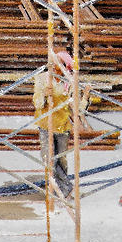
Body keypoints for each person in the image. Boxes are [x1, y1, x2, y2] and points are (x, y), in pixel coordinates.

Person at [32, 50, 91, 199]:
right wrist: (44, 94)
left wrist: (85, 96)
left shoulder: (70, 84)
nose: (52, 65)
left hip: (62, 126)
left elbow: (77, 109)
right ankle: (63, 187)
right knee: (48, 157)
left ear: (64, 66)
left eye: (58, 63)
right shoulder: (41, 79)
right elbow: (37, 104)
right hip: (45, 124)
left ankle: (61, 189)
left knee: (61, 159)